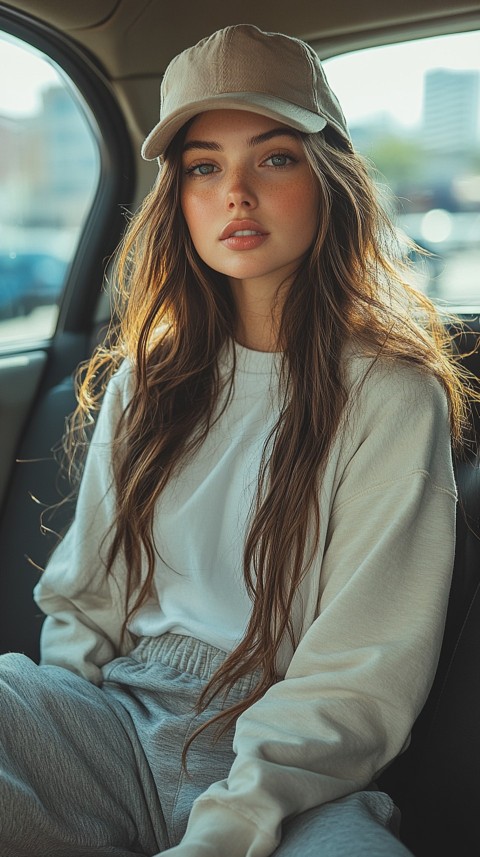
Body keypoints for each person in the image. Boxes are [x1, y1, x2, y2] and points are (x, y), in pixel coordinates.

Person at [0, 23, 468, 857]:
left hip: (297, 763)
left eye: (275, 157)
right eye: (204, 166)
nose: (235, 194)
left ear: (330, 178)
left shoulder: (394, 393)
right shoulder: (150, 377)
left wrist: (230, 823)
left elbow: (358, 674)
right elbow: (83, 600)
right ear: (176, 196)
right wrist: (62, 757)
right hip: (115, 717)